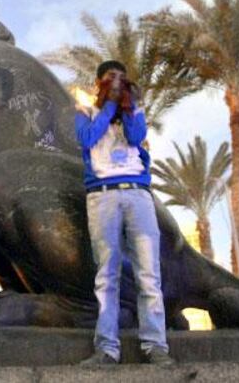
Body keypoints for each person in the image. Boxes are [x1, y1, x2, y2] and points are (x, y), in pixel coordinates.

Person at [75, 60, 174, 366]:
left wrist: (128, 106)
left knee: (148, 273)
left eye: (121, 79)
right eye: (110, 79)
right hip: (102, 196)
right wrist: (107, 107)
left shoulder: (134, 111)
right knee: (107, 274)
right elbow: (88, 138)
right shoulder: (85, 113)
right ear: (98, 84)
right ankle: (106, 347)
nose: (117, 84)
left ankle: (155, 344)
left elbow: (135, 136)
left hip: (137, 194)